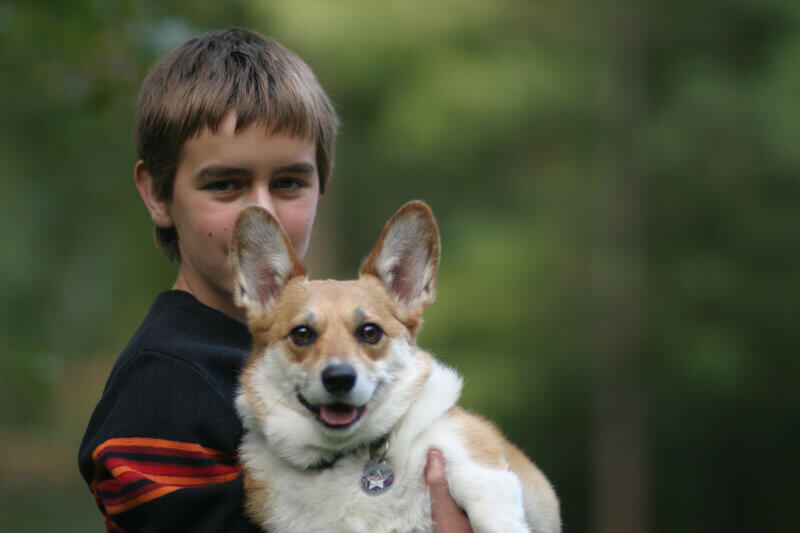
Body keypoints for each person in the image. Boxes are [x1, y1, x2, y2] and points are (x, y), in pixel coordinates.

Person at [78, 27, 472, 532]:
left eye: (288, 183)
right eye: (225, 184)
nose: (261, 210)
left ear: (322, 183)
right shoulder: (162, 385)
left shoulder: (340, 350)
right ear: (157, 195)